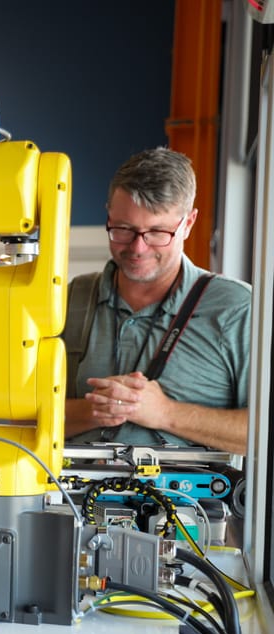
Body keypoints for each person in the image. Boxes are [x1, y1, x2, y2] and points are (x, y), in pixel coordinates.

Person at [63, 148, 250, 456]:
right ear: (108, 215)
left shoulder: (238, 308)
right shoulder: (70, 298)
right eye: (123, 229)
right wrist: (94, 411)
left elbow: (263, 434)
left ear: (188, 223)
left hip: (193, 504)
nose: (138, 247)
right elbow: (20, 413)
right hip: (67, 502)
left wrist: (164, 413)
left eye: (157, 232)